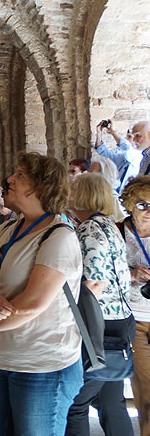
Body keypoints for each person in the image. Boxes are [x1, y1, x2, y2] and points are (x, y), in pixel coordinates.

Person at [0, 151, 83, 436]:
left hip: (41, 365)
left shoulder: (60, 236)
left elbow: (32, 305)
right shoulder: (9, 227)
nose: (9, 179)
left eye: (20, 175)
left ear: (41, 187)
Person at [65, 173, 135, 436]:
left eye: (75, 190)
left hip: (100, 325)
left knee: (75, 403)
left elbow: (94, 283)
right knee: (110, 401)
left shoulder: (89, 229)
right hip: (118, 320)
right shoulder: (109, 226)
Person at [120, 175, 150, 436]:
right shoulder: (119, 232)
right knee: (145, 387)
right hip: (134, 318)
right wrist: (131, 274)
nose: (149, 211)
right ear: (130, 204)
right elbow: (100, 275)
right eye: (142, 205)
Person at [94, 119, 146, 186]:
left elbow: (126, 146)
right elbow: (102, 151)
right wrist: (99, 132)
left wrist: (112, 131)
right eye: (126, 136)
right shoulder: (123, 157)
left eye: (129, 136)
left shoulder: (138, 155)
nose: (126, 138)